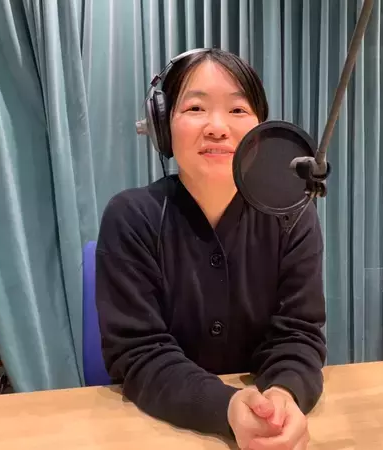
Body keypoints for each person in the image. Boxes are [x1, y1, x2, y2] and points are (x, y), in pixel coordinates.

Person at [95, 48, 327, 450]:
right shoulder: (131, 217)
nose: (218, 128)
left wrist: (282, 396)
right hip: (157, 432)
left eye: (237, 110)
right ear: (162, 126)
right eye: (195, 108)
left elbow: (299, 335)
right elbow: (139, 352)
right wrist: (226, 407)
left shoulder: (293, 216)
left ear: (260, 131)